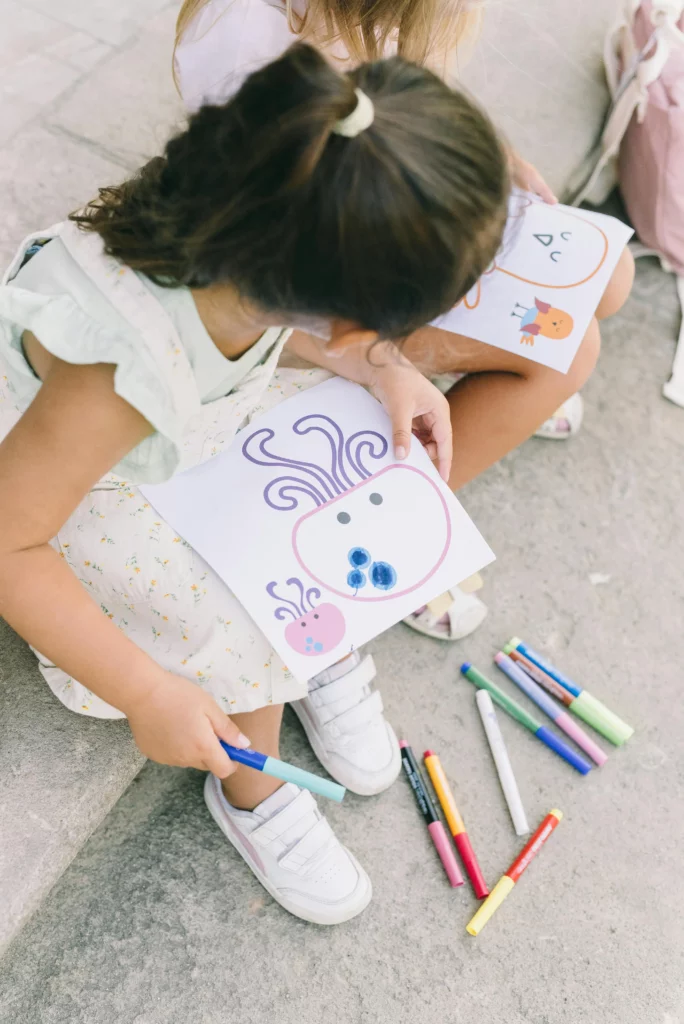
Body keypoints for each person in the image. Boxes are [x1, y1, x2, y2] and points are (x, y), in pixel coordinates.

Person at [0, 45, 511, 924]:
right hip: (72, 478)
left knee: (329, 455)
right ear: (338, 307)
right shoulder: (111, 381)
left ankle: (315, 645)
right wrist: (148, 691)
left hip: (170, 417)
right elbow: (10, 540)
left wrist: (383, 370)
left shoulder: (259, 209)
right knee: (235, 610)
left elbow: (268, 331)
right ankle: (255, 784)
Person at [173, 0, 635, 643]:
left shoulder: (375, 17)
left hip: (383, 219)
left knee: (608, 278)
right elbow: (254, 282)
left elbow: (404, 91)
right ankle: (390, 524)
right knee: (570, 350)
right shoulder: (246, 40)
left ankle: (503, 374)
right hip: (319, 287)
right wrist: (378, 359)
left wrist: (489, 156)